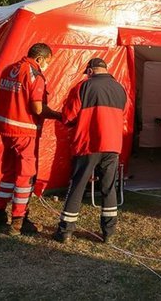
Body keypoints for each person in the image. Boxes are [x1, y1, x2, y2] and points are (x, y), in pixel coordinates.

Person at [54, 58, 127, 243]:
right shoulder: (120, 89)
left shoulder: (83, 87)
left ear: (90, 71)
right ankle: (108, 233)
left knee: (77, 186)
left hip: (88, 144)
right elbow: (123, 116)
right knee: (108, 188)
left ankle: (66, 232)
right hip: (113, 145)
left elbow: (69, 116)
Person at [0, 43, 62, 236]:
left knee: (9, 172)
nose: (46, 65)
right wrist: (58, 115)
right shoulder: (34, 74)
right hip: (25, 132)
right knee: (25, 176)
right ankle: (18, 221)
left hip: (6, 130)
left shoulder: (9, 69)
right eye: (47, 61)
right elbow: (37, 108)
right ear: (40, 59)